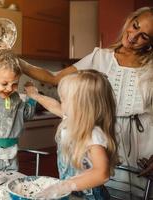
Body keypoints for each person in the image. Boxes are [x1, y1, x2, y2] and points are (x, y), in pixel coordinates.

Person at [20, 7, 153, 198]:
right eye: (135, 26)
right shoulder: (100, 57)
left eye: (144, 36)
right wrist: (19, 64)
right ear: (130, 20)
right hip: (108, 143)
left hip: (143, 151)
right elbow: (53, 79)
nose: (133, 37)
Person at [24, 69, 118, 199]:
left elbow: (102, 173)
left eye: (64, 99)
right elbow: (53, 106)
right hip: (72, 194)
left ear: (80, 105)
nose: (61, 102)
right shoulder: (71, 120)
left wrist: (64, 186)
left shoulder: (92, 134)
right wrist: (35, 95)